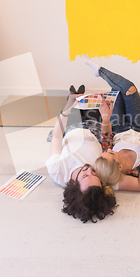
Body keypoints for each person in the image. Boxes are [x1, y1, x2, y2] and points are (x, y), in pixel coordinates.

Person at [81, 55, 140, 191]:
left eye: (106, 151)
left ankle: (100, 71)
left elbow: (107, 136)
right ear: (119, 167)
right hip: (139, 127)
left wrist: (105, 118)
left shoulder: (106, 163)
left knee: (117, 91)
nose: (108, 149)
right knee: (129, 89)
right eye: (111, 153)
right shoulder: (137, 170)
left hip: (118, 127)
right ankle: (100, 71)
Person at [45, 88, 117, 223]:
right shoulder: (103, 175)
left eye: (85, 175)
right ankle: (79, 92)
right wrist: (106, 118)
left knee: (73, 103)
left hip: (71, 128)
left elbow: (56, 136)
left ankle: (73, 94)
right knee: (92, 101)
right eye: (95, 175)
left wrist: (66, 109)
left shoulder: (57, 170)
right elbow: (107, 143)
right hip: (94, 129)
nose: (90, 169)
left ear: (73, 183)